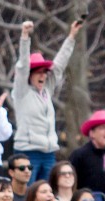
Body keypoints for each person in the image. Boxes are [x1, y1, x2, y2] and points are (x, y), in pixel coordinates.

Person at [12, 20, 83, 183]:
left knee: (47, 193)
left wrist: (71, 37)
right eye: (38, 72)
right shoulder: (22, 92)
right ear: (30, 75)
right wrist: (24, 37)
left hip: (48, 153)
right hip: (28, 152)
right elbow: (22, 66)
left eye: (44, 72)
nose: (43, 75)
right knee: (28, 192)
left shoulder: (46, 91)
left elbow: (59, 65)